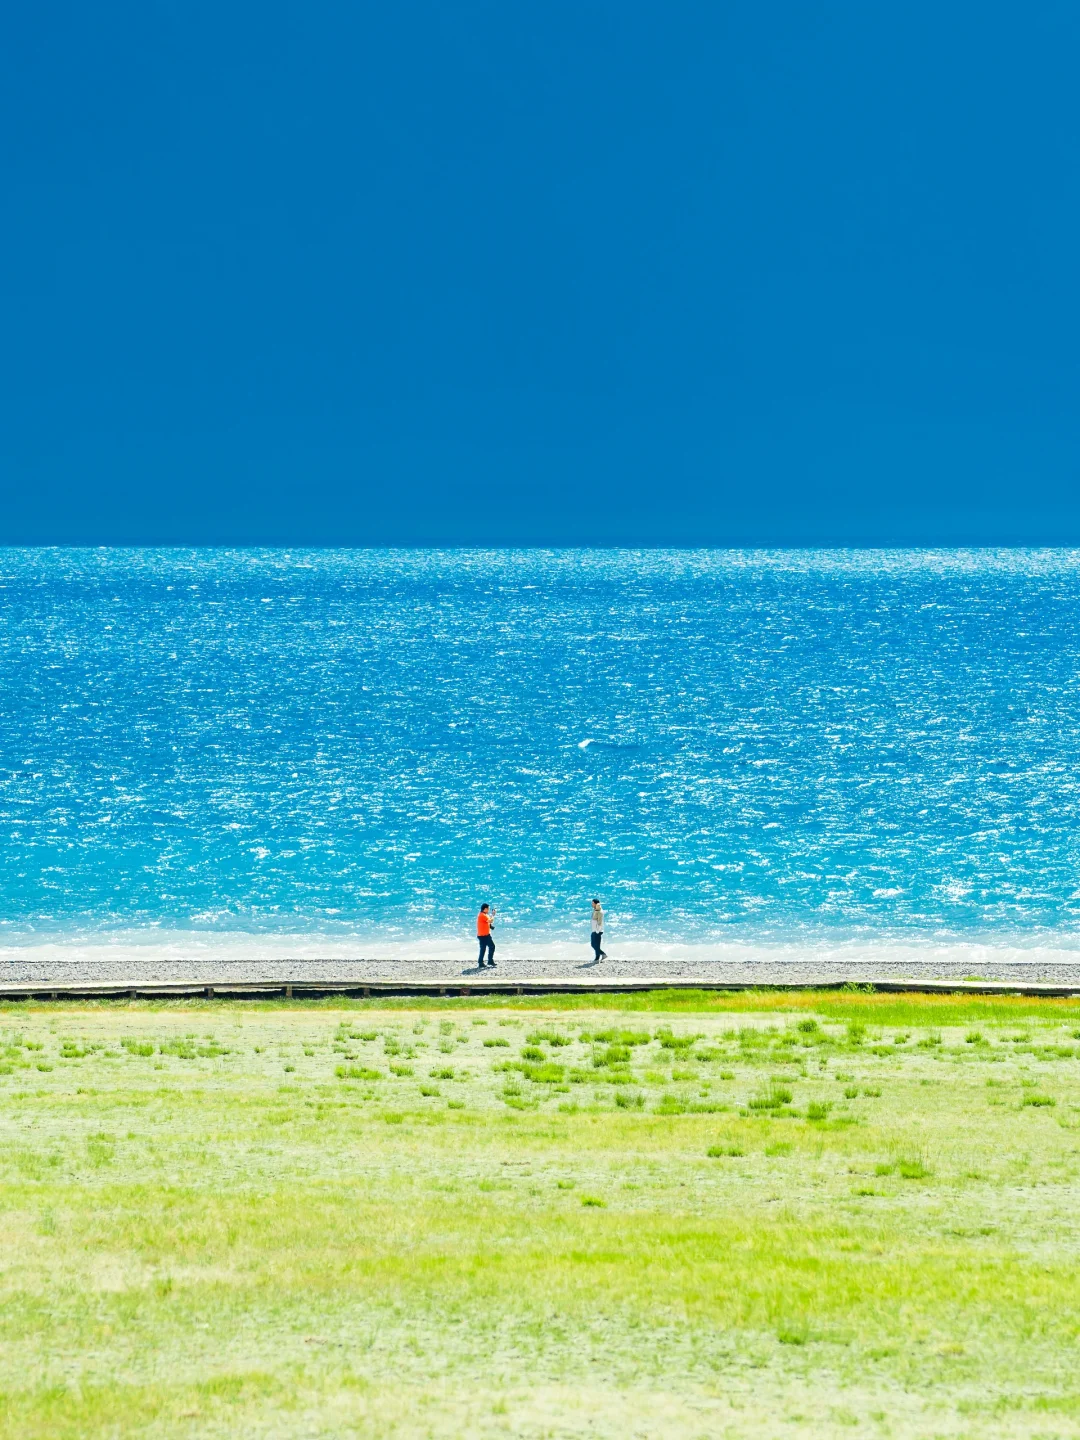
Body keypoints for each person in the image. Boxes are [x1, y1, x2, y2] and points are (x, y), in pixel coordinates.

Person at [476, 903, 496, 968]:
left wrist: (490, 927)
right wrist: (493, 915)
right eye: (488, 909)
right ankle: (481, 962)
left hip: (486, 935)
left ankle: (489, 960)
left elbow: (487, 922)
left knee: (491, 946)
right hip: (482, 936)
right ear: (485, 909)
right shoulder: (482, 915)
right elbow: (490, 921)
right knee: (483, 949)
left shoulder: (485, 915)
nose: (489, 910)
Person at [590, 898, 607, 962]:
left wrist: (597, 931)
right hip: (594, 930)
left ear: (596, 904)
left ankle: (598, 958)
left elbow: (600, 922)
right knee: (593, 944)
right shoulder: (595, 910)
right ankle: (602, 955)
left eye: (593, 903)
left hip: (597, 931)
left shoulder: (600, 911)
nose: (592, 904)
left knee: (596, 945)